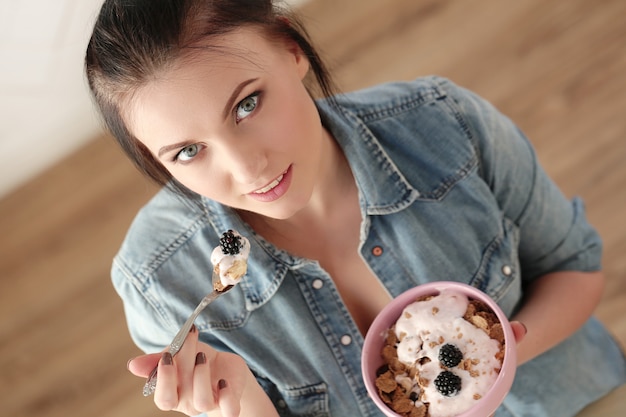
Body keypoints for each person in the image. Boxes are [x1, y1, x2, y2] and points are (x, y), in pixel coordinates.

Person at [85, 1, 626, 416]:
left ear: (291, 49)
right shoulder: (161, 285)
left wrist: (482, 375)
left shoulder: (444, 124)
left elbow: (573, 266)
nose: (248, 169)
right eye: (188, 151)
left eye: (247, 104)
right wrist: (247, 403)